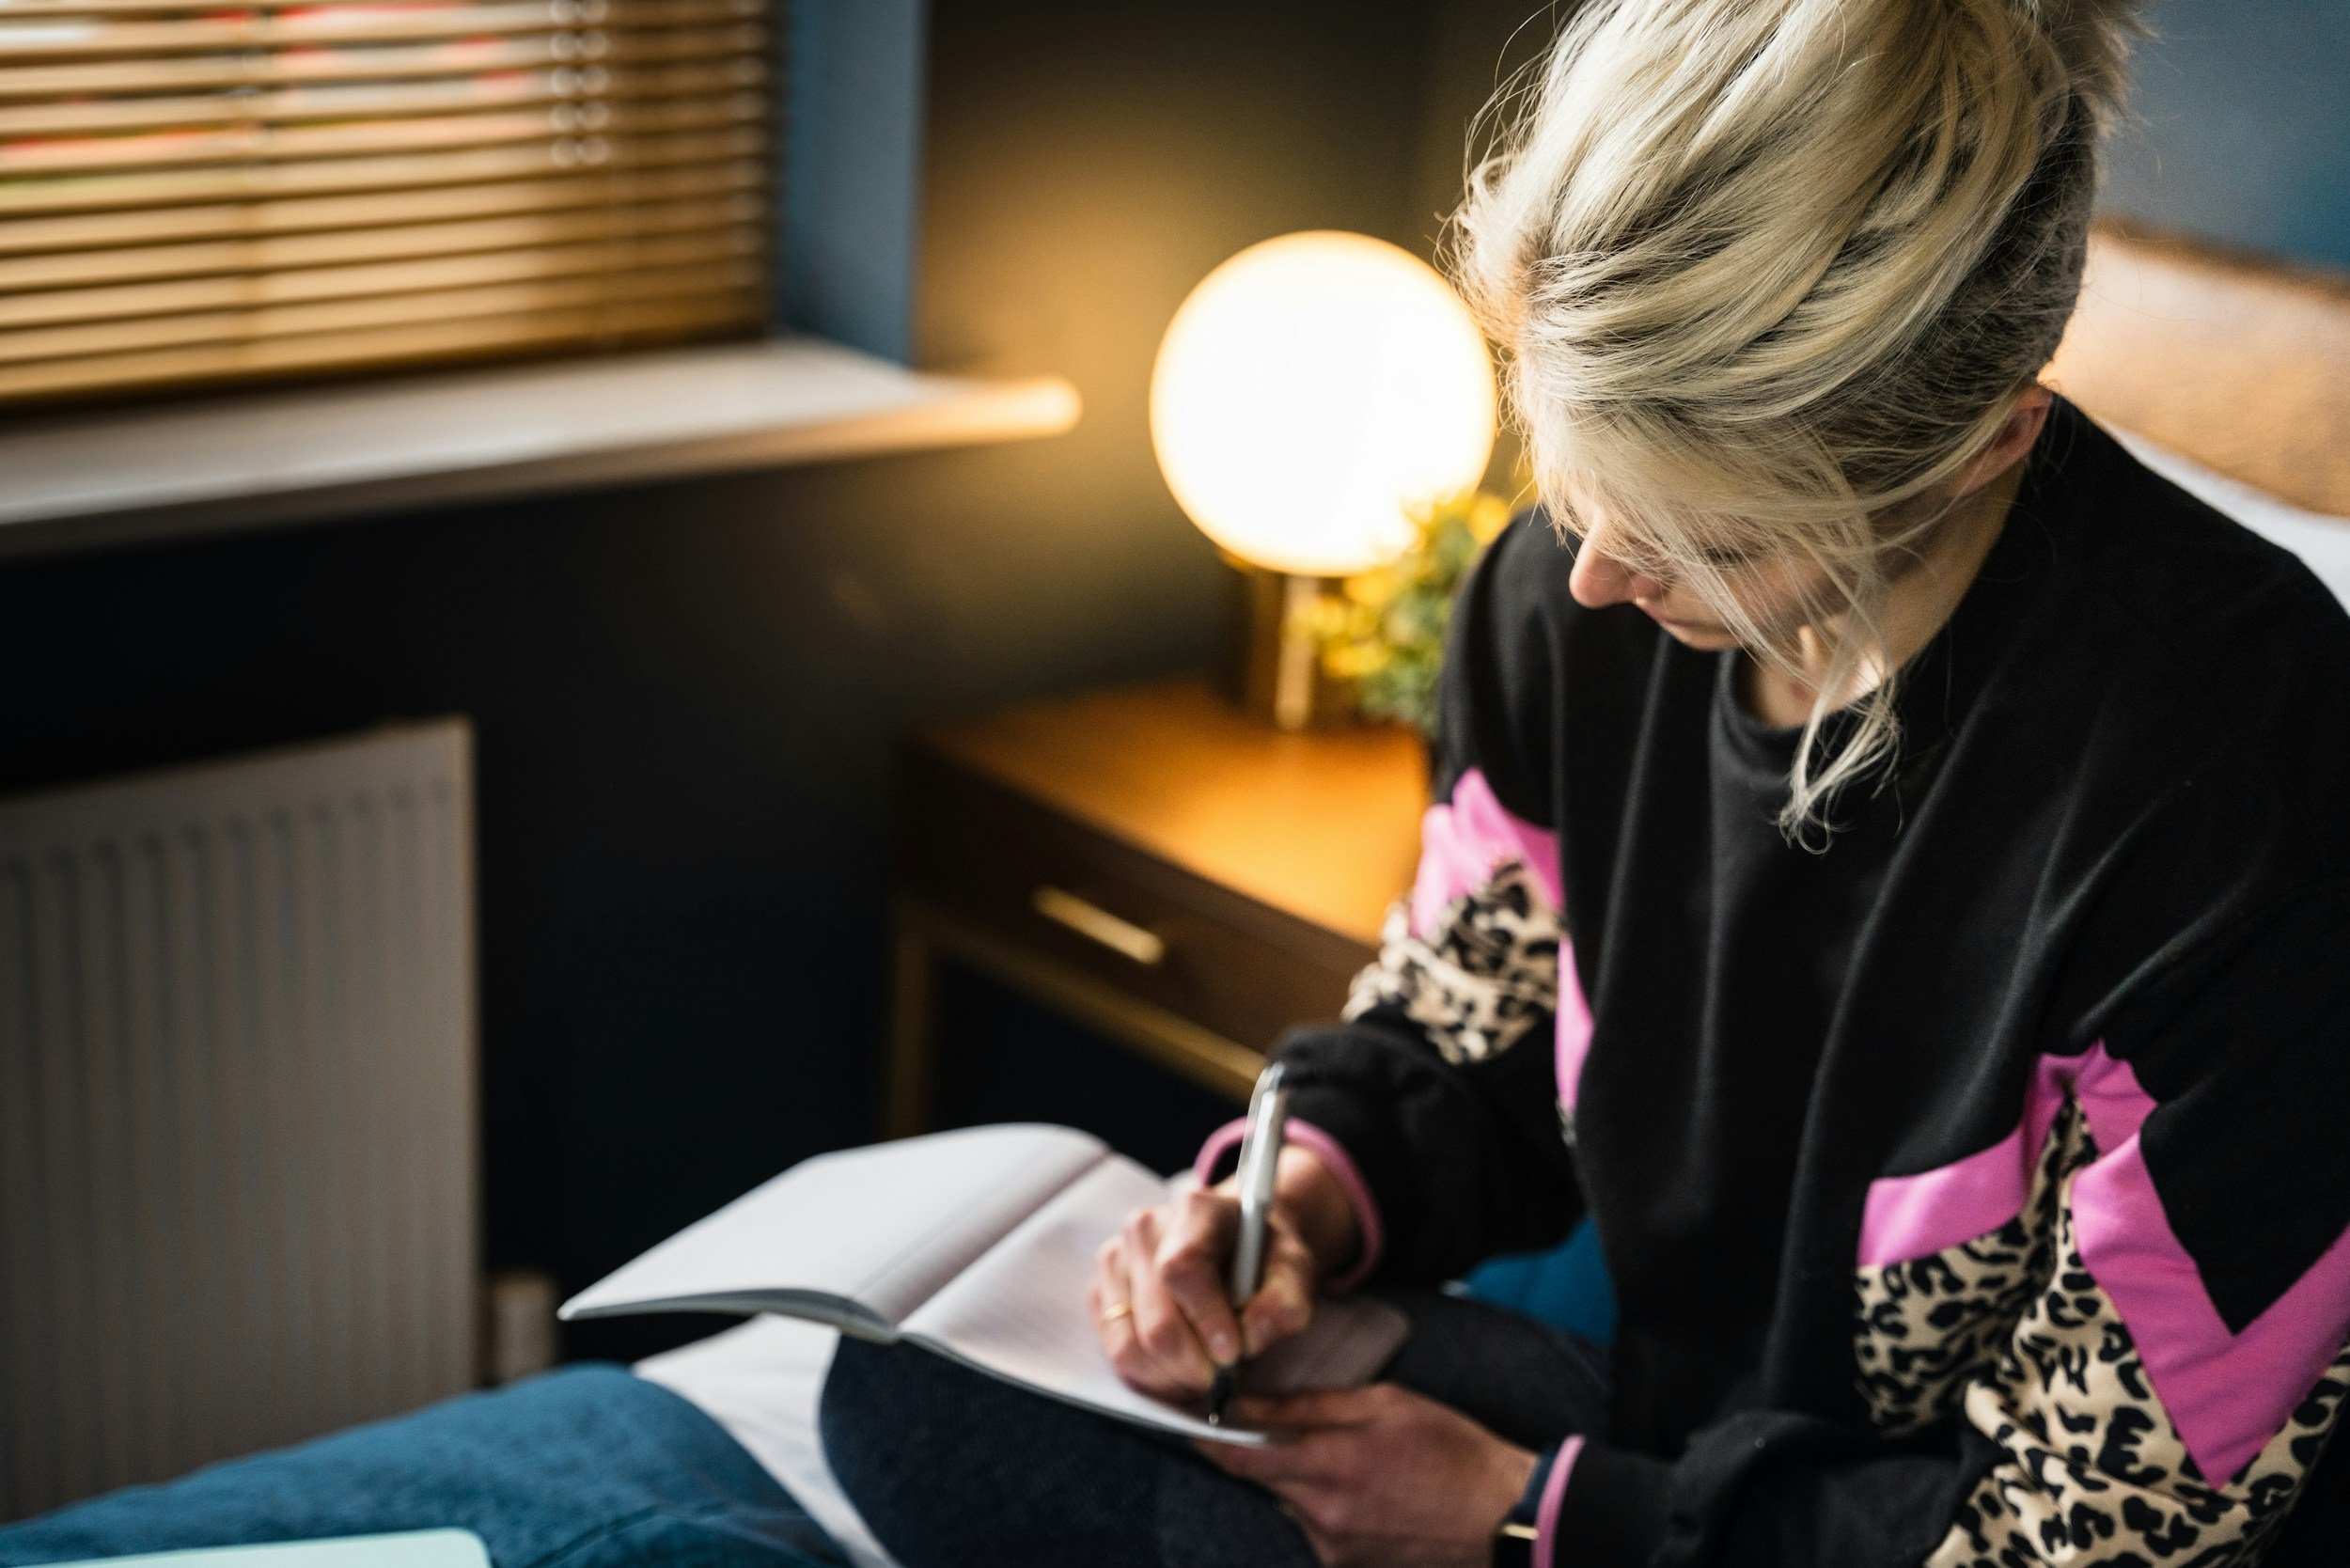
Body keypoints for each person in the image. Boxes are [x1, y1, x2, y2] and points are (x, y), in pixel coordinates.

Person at [819, 0, 2350, 1565]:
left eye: (1705, 530)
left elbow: (2102, 1530)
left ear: (1982, 447)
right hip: (1676, 1451)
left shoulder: (2245, 784)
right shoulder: (1563, 599)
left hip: (1931, 1528)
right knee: (908, 1393)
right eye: (1577, 474)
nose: (1602, 572)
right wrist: (1304, 1206)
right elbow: (1468, 1025)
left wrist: (1530, 1525)